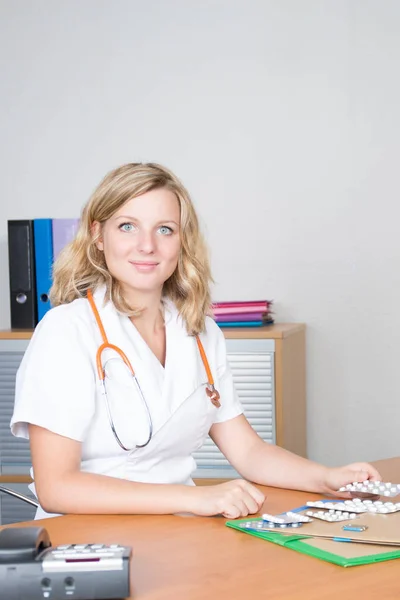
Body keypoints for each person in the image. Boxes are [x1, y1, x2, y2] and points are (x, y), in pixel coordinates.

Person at [11, 162, 381, 520]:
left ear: (182, 241)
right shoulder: (66, 331)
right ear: (97, 235)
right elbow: (56, 487)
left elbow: (249, 452)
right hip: (87, 541)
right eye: (127, 226)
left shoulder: (199, 332)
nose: (147, 246)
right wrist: (196, 497)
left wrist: (326, 478)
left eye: (165, 229)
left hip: (179, 529)